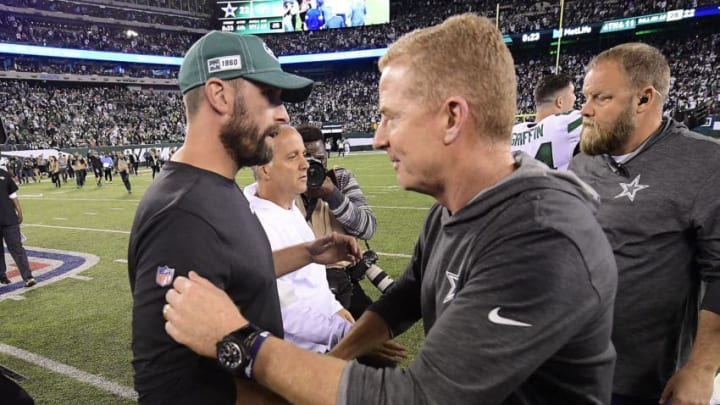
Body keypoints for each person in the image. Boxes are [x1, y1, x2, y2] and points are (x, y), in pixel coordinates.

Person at [163, 14, 618, 404]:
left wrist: (240, 341)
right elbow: (407, 296)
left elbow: (418, 397)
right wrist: (338, 357)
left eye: (391, 117)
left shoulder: (542, 237)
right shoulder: (455, 209)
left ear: (452, 117)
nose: (379, 137)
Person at [128, 31, 359, 405]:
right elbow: (166, 387)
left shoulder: (217, 187)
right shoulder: (182, 216)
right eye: (269, 96)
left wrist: (308, 254)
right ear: (219, 95)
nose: (283, 114)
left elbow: (235, 276)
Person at [569, 42, 720, 405]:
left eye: (601, 98)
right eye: (585, 96)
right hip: (567, 365)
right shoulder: (584, 159)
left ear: (643, 99)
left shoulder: (704, 162)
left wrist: (702, 367)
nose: (584, 110)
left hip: (639, 382)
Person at [245, 125, 353, 352]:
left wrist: (333, 309)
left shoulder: (288, 207)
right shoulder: (255, 223)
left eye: (304, 154)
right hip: (293, 359)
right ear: (265, 170)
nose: (305, 164)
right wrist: (340, 332)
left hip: (318, 346)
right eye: (293, 156)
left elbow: (310, 282)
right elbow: (283, 308)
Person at [296, 124, 381, 320]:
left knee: (370, 337)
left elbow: (368, 228)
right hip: (300, 278)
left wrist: (333, 196)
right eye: (306, 159)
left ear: (327, 155)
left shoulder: (340, 179)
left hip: (341, 277)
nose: (312, 167)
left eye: (319, 159)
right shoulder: (286, 184)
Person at [511, 73, 582, 170]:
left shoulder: (514, 132)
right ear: (560, 102)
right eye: (573, 93)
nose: (575, 98)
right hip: (555, 184)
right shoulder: (563, 124)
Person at [0, 166, 36, 288]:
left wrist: (19, 211)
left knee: (17, 247)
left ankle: (28, 277)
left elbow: (13, 195)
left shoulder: (4, 174)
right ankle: (2, 275)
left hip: (9, 218)